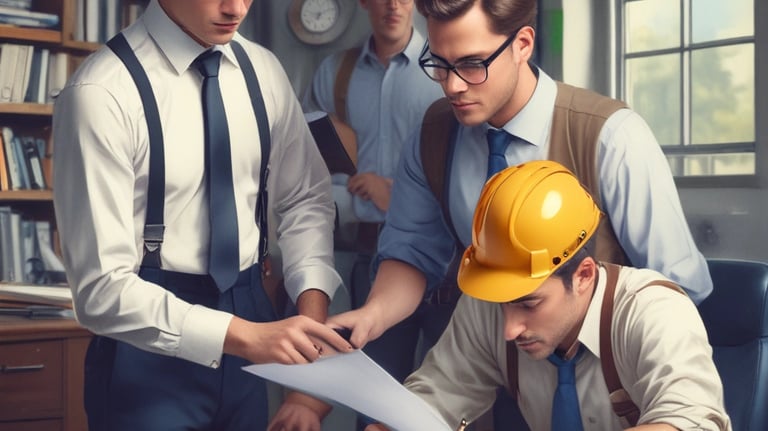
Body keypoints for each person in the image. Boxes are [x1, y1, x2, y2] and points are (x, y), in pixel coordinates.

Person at [328, 0, 713, 427]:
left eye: (472, 64)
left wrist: (619, 363)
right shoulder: (433, 134)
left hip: (609, 387)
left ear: (522, 44)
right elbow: (411, 250)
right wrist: (372, 316)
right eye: (439, 63)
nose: (452, 85)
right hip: (502, 369)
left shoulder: (612, 137)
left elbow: (673, 291)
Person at [52, 1, 352, 430]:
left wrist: (309, 317)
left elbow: (305, 197)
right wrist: (248, 337)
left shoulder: (263, 71)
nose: (236, 8)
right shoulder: (101, 93)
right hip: (147, 353)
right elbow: (101, 290)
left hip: (253, 322)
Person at [367, 160, 731, 431]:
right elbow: (437, 395)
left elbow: (689, 419)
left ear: (584, 275)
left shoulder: (654, 311)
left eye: (529, 303)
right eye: (502, 301)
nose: (509, 329)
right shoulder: (485, 307)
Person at [274, 0, 442, 429]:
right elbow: (309, 172)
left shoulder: (443, 70)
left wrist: (396, 194)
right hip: (371, 262)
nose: (394, 5)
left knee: (453, 392)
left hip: (445, 267)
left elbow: (466, 170)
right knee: (374, 399)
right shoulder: (335, 73)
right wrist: (358, 196)